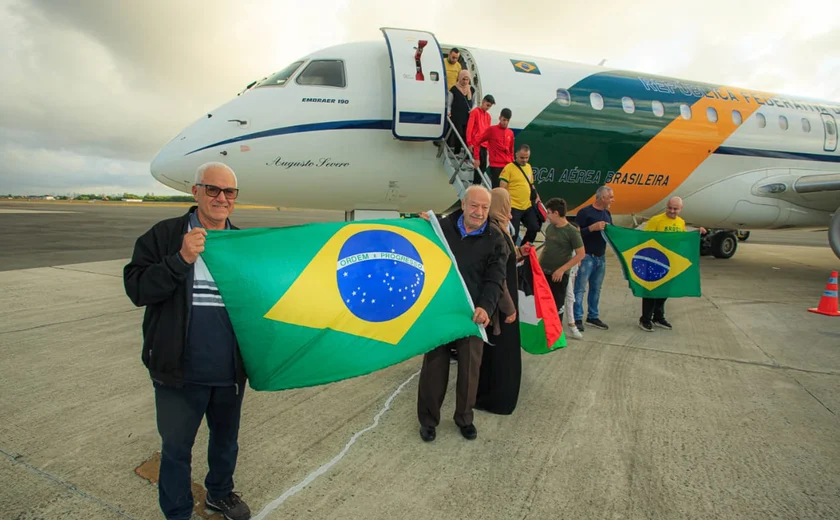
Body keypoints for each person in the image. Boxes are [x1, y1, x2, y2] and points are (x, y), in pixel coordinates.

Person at [123, 162, 251, 520]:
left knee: (225, 443)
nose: (221, 198)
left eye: (229, 192)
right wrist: (181, 259)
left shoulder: (242, 244)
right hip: (178, 371)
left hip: (228, 372)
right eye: (213, 189)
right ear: (195, 192)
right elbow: (137, 288)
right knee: (177, 448)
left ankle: (219, 494)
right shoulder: (164, 236)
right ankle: (178, 512)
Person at [416, 185, 508, 442]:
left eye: (485, 208)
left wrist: (486, 307)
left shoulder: (494, 237)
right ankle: (428, 420)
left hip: (473, 312)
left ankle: (464, 418)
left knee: (470, 369)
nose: (479, 212)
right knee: (434, 367)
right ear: (464, 204)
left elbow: (495, 277)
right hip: (442, 310)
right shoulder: (441, 228)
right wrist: (422, 225)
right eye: (475, 206)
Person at [475, 187, 530, 415]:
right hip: (500, 306)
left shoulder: (499, 228)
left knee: (497, 354)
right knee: (501, 354)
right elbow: (499, 278)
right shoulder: (496, 231)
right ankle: (497, 399)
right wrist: (509, 308)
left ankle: (492, 397)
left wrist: (519, 253)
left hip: (499, 303)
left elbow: (505, 261)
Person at [638, 196, 706, 331]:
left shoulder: (680, 222)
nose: (672, 211)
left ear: (681, 209)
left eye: (675, 209)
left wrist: (697, 233)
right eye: (670, 208)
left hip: (670, 263)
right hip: (654, 262)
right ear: (666, 206)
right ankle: (645, 319)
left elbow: (682, 238)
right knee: (651, 292)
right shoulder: (656, 220)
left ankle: (658, 317)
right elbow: (644, 239)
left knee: (664, 292)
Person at [573, 185, 614, 332]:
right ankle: (576, 317)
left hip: (600, 257)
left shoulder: (607, 214)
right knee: (580, 288)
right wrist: (592, 228)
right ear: (602, 198)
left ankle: (593, 315)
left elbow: (612, 234)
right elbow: (576, 234)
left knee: (596, 289)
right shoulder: (585, 213)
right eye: (610, 197)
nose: (612, 200)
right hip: (586, 256)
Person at [539, 198, 585, 329]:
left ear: (556, 213)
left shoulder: (572, 232)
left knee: (557, 305)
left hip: (559, 276)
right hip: (544, 273)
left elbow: (580, 254)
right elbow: (546, 248)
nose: (547, 216)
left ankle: (555, 331)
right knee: (543, 305)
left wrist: (561, 270)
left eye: (548, 212)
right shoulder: (549, 228)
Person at [499, 144, 542, 245]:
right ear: (516, 155)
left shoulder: (528, 167)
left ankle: (523, 249)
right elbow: (502, 188)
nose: (524, 160)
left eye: (527, 157)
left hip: (527, 205)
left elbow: (531, 184)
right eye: (522, 157)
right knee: (514, 233)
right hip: (514, 206)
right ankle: (511, 253)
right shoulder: (509, 168)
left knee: (534, 227)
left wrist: (537, 197)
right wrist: (505, 205)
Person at [474, 108, 515, 187]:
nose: (505, 122)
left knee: (507, 191)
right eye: (504, 120)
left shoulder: (510, 133)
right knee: (496, 190)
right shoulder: (492, 130)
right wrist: (477, 158)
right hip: (496, 166)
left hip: (508, 166)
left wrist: (512, 163)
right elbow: (477, 142)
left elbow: (511, 150)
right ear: (500, 118)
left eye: (507, 120)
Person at [466, 94, 495, 183]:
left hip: (484, 144)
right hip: (475, 143)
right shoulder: (475, 112)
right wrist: (469, 142)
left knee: (483, 167)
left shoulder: (488, 116)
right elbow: (469, 128)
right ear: (483, 101)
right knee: (477, 166)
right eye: (487, 105)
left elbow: (488, 133)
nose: (488, 108)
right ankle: (475, 185)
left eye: (490, 106)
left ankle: (476, 185)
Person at [563, 220, 584, 340]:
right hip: (564, 274)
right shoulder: (565, 245)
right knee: (570, 298)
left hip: (571, 274)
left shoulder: (577, 247)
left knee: (569, 299)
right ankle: (572, 325)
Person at [446, 69, 474, 156]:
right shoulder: (454, 89)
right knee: (459, 133)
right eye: (463, 79)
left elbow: (474, 102)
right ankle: (457, 152)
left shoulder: (471, 89)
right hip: (457, 115)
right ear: (460, 78)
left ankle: (466, 154)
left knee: (467, 134)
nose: (465, 82)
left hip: (468, 116)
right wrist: (449, 111)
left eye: (467, 79)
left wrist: (473, 110)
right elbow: (449, 103)